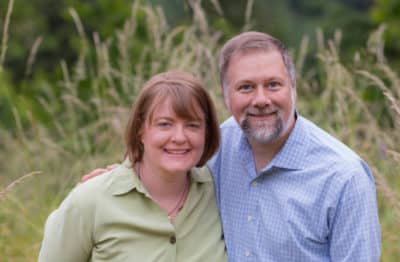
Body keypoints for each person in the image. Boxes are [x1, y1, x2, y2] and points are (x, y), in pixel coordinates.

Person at [82, 32, 381, 261]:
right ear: (226, 96)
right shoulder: (213, 148)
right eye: (246, 87)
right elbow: (164, 166)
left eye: (274, 85)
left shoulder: (343, 177)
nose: (261, 99)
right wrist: (120, 179)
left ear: (293, 87)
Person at [38, 71, 227, 262]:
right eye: (165, 124)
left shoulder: (220, 192)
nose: (179, 137)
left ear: (207, 132)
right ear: (140, 130)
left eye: (192, 125)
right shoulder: (90, 201)